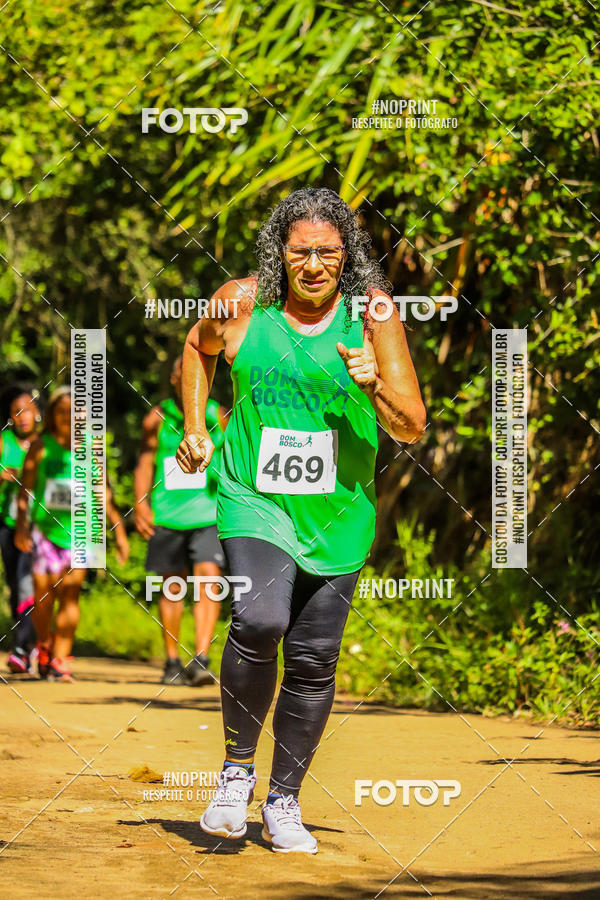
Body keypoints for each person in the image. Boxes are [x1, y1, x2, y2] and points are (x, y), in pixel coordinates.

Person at [176, 187, 426, 853]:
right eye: (301, 253)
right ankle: (235, 774)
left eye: (329, 253)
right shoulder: (239, 302)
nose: (315, 265)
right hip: (253, 497)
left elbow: (412, 425)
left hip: (338, 511)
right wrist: (197, 426)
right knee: (259, 619)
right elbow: (196, 350)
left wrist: (374, 385)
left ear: (347, 256)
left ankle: (283, 801)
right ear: (279, 254)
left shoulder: (371, 314)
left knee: (314, 660)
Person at [15, 386, 130, 682]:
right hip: (46, 530)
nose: (68, 416)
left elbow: (102, 491)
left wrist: (118, 531)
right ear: (53, 415)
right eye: (61, 411)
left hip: (83, 529)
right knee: (44, 593)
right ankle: (43, 645)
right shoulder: (41, 446)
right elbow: (25, 489)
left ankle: (61, 659)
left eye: (74, 411)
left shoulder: (92, 447)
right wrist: (22, 524)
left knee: (70, 592)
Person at [135, 356, 227, 686]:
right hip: (168, 515)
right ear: (175, 380)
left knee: (208, 577)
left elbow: (235, 458)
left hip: (208, 514)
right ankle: (172, 662)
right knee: (172, 586)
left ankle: (202, 658)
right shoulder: (157, 417)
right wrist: (141, 503)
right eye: (180, 374)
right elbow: (145, 462)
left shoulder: (217, 414)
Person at [0, 385, 41, 673]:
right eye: (17, 411)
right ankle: (26, 641)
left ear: (37, 413)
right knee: (16, 584)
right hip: (9, 523)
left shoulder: (47, 443)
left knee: (32, 582)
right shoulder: (4, 441)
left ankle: (23, 648)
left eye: (28, 409)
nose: (23, 416)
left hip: (41, 526)